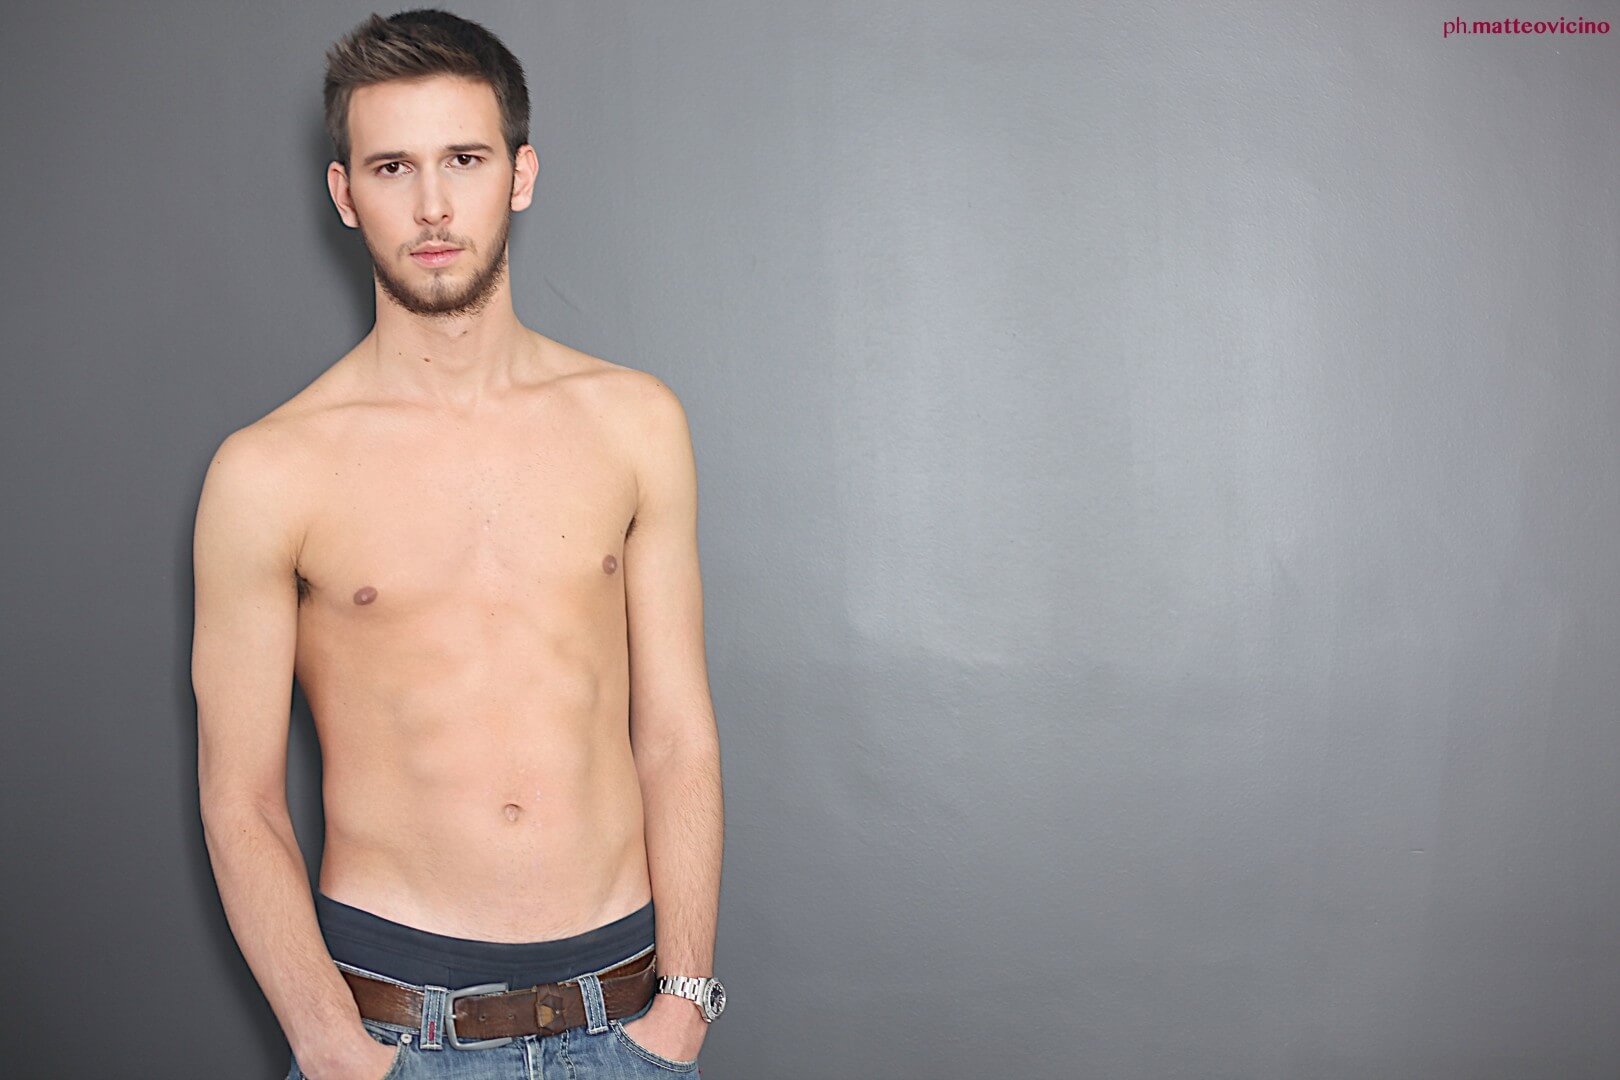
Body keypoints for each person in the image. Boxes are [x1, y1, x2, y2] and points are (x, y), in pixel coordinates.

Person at [191, 9, 725, 1078]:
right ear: (345, 193)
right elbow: (240, 797)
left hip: (627, 1025)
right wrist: (329, 1044)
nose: (432, 206)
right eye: (392, 167)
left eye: (465, 160)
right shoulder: (268, 471)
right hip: (394, 1037)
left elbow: (676, 737)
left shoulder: (635, 423)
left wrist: (685, 1005)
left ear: (520, 175)